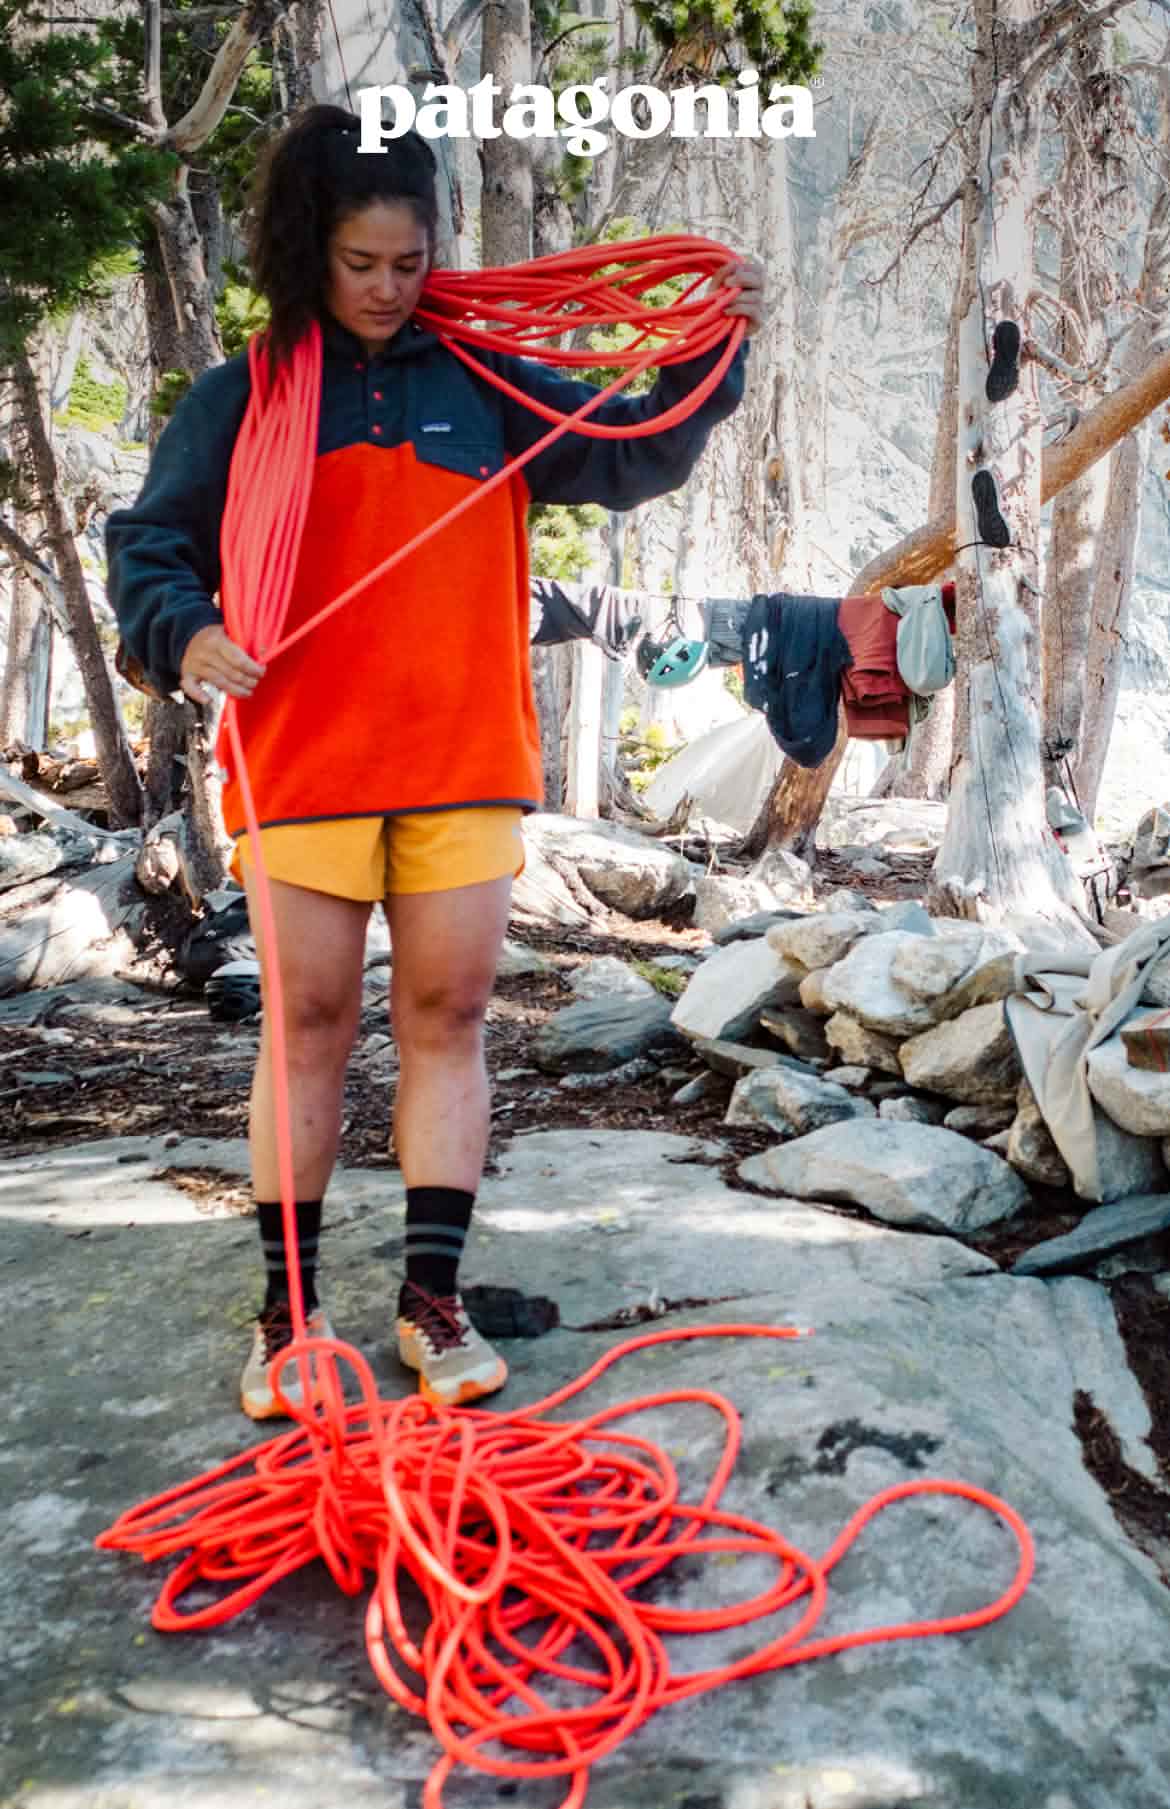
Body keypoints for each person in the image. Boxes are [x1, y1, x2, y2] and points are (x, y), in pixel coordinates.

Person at [107, 103, 765, 1420]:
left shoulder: (486, 381)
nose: (388, 288)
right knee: (303, 1031)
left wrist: (722, 344)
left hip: (464, 757)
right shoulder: (243, 392)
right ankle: (287, 1319)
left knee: (448, 1023)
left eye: (409, 262)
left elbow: (633, 453)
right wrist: (188, 635)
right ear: (310, 253)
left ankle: (430, 1300)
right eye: (360, 264)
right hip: (303, 758)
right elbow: (151, 546)